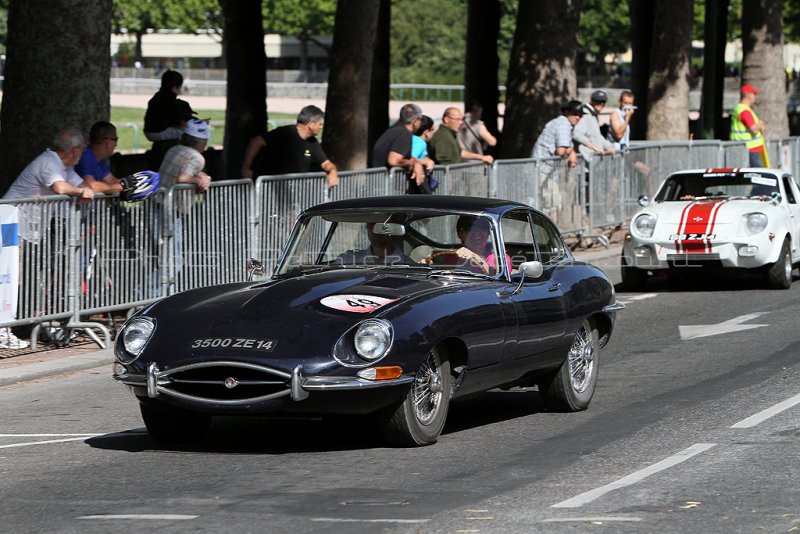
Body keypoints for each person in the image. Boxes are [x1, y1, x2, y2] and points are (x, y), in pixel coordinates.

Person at [240, 105, 339, 189]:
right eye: (320, 124)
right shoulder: (284, 133)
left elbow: (325, 163)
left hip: (295, 192)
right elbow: (256, 141)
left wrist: (333, 171)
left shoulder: (312, 142)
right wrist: (246, 168)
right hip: (269, 189)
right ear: (311, 125)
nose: (321, 127)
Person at [3, 128, 95, 201]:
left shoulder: (65, 167)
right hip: (10, 219)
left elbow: (84, 185)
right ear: (75, 151)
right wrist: (81, 192)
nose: (83, 152)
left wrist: (86, 191)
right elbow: (60, 188)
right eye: (83, 149)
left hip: (25, 220)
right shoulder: (48, 162)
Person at [143, 69, 196, 170]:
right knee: (189, 132)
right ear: (176, 87)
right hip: (158, 132)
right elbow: (183, 118)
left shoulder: (157, 96)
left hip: (150, 131)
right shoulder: (170, 100)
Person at [421, 216, 510, 275]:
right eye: (469, 228)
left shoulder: (499, 258)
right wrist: (425, 266)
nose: (476, 232)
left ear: (488, 233)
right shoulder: (451, 257)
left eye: (482, 227)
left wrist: (475, 258)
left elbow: (497, 277)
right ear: (460, 234)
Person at [371, 103, 428, 192]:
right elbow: (394, 160)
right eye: (421, 119)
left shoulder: (394, 130)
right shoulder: (403, 134)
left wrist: (416, 162)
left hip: (378, 184)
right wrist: (411, 164)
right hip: (386, 187)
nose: (421, 122)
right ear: (414, 120)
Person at [428, 107, 493, 165]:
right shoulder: (443, 136)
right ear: (446, 119)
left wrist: (481, 157)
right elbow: (443, 160)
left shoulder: (450, 134)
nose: (461, 122)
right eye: (457, 119)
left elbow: (460, 152)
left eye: (462, 119)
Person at [74, 121, 124, 194]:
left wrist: (133, 183)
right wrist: (122, 187)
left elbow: (111, 180)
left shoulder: (99, 159)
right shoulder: (85, 157)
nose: (116, 144)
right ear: (107, 142)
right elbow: (91, 186)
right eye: (115, 139)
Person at [531, 100, 583, 168]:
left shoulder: (560, 122)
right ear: (566, 112)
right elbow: (561, 151)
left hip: (541, 167)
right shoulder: (564, 124)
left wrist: (571, 152)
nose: (578, 117)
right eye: (575, 114)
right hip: (542, 168)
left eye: (580, 115)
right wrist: (572, 151)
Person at [335, 223, 413, 266]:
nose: (376, 231)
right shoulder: (347, 260)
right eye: (372, 225)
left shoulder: (410, 266)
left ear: (394, 229)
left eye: (382, 226)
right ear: (367, 227)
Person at [572, 89, 616, 164]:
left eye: (604, 102)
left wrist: (608, 146)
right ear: (592, 100)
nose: (601, 104)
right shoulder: (585, 115)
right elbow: (576, 134)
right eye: (598, 101)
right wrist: (593, 147)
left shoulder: (593, 115)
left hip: (592, 163)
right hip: (584, 165)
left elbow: (597, 136)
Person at [730, 84, 768, 167]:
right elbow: (753, 129)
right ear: (748, 95)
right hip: (750, 149)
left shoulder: (739, 108)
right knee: (756, 175)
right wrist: (760, 124)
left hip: (744, 149)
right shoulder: (745, 111)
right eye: (754, 94)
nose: (755, 97)